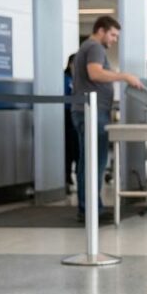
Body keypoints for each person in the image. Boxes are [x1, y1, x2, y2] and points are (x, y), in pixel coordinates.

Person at [71, 16, 143, 222]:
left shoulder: (87, 46)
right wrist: (124, 76)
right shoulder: (94, 47)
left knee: (89, 162)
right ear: (100, 30)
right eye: (112, 35)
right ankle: (91, 211)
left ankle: (91, 208)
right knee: (95, 163)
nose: (114, 40)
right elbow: (95, 74)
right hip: (92, 113)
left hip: (86, 111)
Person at [64, 54, 79, 194]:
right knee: (69, 149)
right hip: (67, 116)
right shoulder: (65, 79)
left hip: (77, 115)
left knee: (77, 150)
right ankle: (67, 178)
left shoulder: (78, 79)